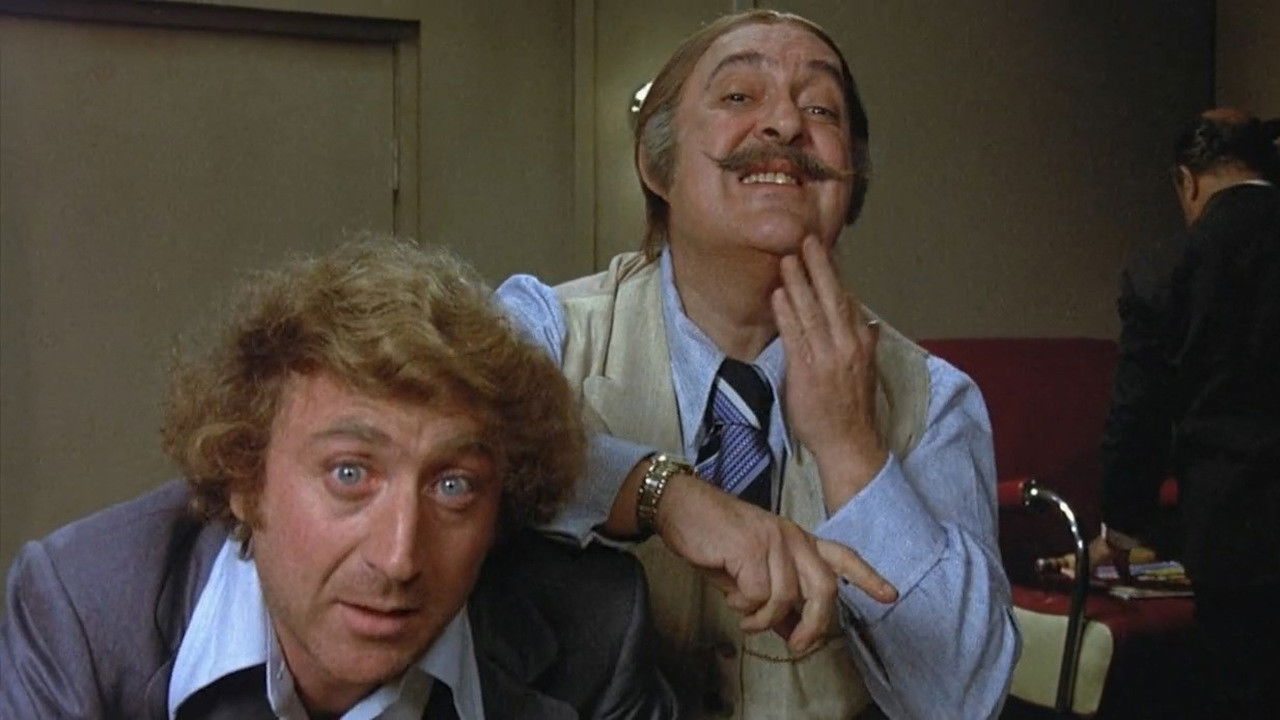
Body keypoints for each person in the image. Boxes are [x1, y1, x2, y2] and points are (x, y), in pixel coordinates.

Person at [501, 10, 1017, 719]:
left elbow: (964, 701)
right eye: (740, 95)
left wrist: (853, 451)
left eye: (821, 108)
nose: (785, 124)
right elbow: (473, 453)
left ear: (850, 181)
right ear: (656, 164)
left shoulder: (934, 399)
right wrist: (664, 495)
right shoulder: (544, 331)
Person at [0, 241, 677, 720]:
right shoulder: (84, 609)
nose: (399, 558)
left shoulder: (594, 635)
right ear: (244, 479)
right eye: (350, 474)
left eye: (454, 486)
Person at [1095, 108, 1280, 719]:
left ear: (1187, 180)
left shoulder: (1165, 268)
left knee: (1240, 691)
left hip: (1234, 533)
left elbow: (1138, 413)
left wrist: (1121, 528)